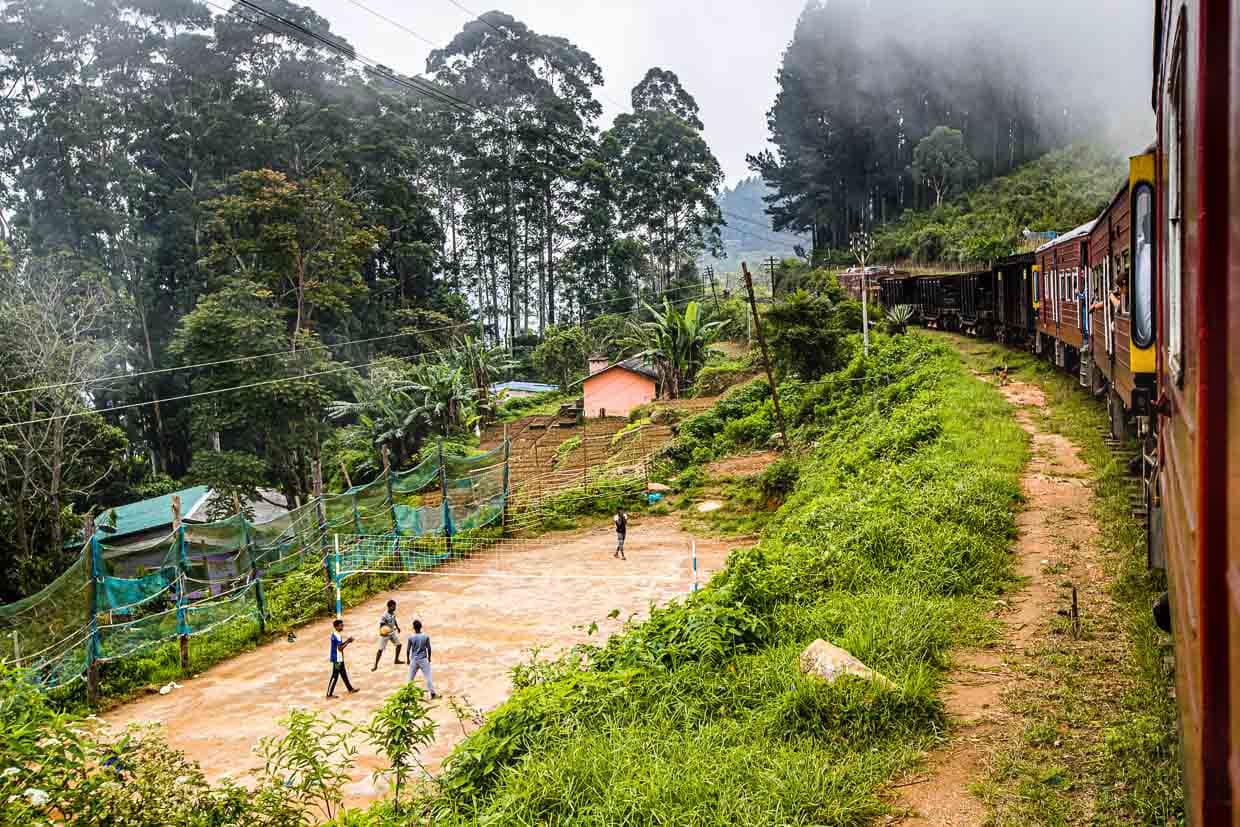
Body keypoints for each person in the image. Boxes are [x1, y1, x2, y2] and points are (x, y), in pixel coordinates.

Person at [405, 619, 437, 699]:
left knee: (410, 678)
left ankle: (406, 694)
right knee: (428, 677)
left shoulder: (411, 637)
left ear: (413, 627)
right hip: (423, 659)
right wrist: (429, 658)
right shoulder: (425, 636)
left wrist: (408, 659)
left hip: (414, 660)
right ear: (421, 627)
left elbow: (408, 649)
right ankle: (432, 694)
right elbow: (429, 648)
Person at [327, 618, 358, 698]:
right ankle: (329, 694)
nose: (342, 626)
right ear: (336, 627)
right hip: (337, 660)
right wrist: (348, 642)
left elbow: (340, 646)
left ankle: (350, 689)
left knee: (344, 674)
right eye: (341, 625)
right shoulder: (336, 635)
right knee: (335, 676)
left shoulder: (337, 634)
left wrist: (347, 641)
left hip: (339, 658)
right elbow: (340, 648)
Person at [373, 599, 404, 671]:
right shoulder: (384, 615)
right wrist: (383, 631)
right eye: (393, 606)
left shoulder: (393, 613)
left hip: (392, 632)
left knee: (399, 645)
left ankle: (396, 660)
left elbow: (394, 620)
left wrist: (397, 627)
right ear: (389, 607)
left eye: (395, 606)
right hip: (385, 634)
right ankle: (375, 665)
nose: (395, 608)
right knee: (380, 650)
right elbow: (381, 625)